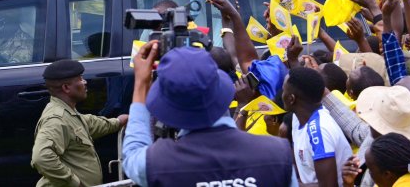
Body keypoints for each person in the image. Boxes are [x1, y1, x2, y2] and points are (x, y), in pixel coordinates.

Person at [123, 43, 296, 187]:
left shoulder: (157, 163)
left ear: (169, 108)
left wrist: (141, 85)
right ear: (223, 90)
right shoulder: (278, 154)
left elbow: (132, 153)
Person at [31, 59, 127, 186]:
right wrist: (75, 183)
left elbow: (90, 123)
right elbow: (41, 158)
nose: (85, 82)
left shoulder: (68, 113)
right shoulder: (56, 120)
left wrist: (119, 121)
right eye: (80, 79)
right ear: (66, 88)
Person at [283, 67, 353, 187]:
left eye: (283, 90)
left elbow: (328, 186)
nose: (281, 94)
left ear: (291, 99)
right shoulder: (297, 117)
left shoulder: (319, 131)